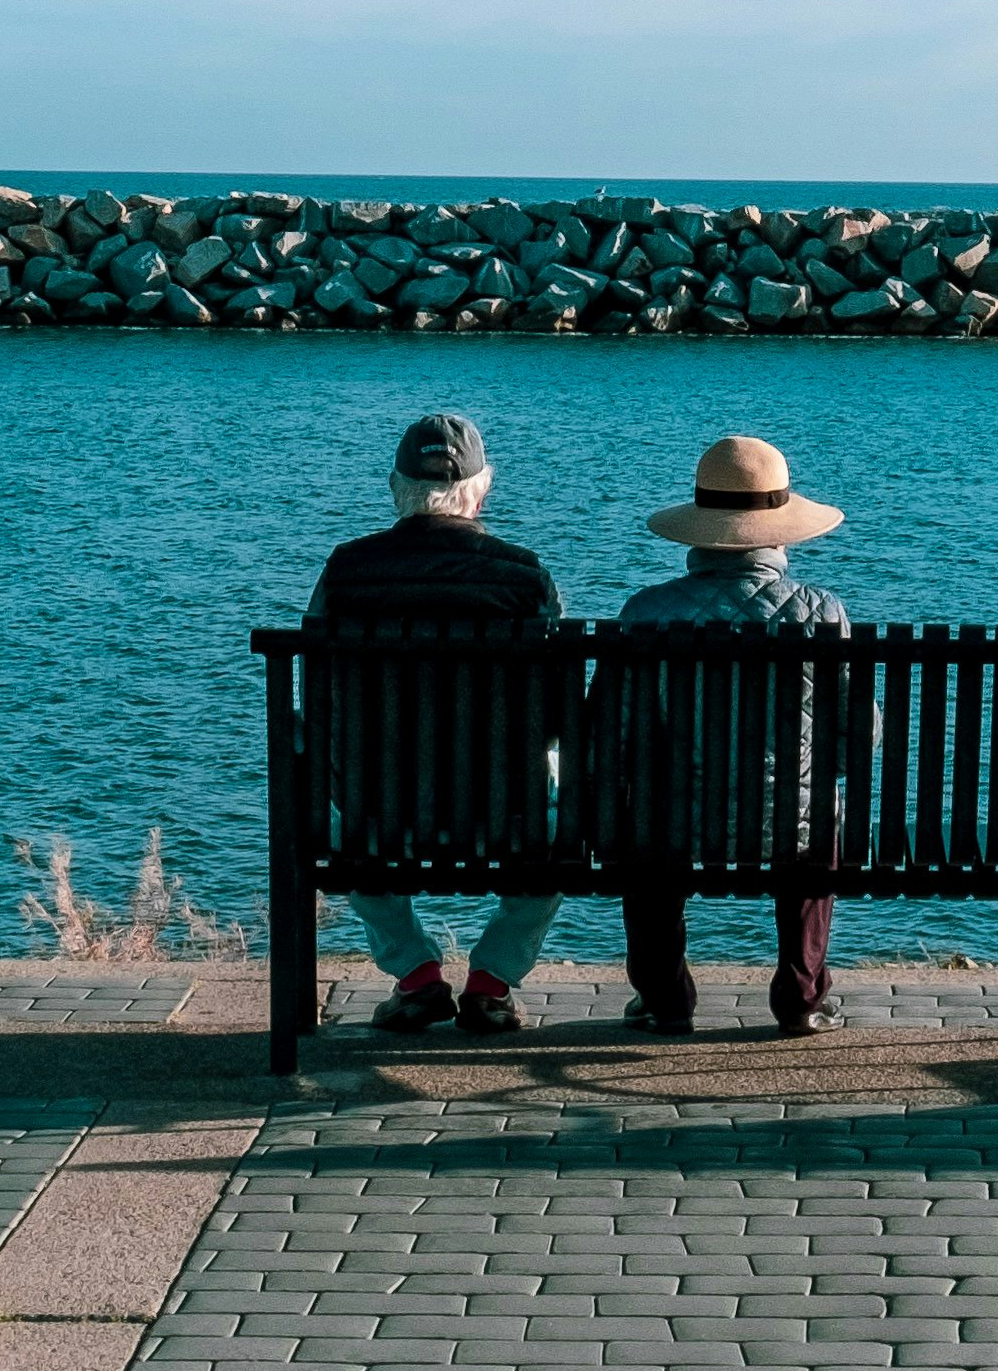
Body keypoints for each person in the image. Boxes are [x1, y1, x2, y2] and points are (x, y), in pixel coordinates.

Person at [307, 409, 566, 1033]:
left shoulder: (345, 571)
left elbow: (319, 701)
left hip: (374, 815)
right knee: (562, 804)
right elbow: (558, 712)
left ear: (397, 487)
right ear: (482, 488)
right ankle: (493, 980)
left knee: (324, 789)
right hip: (509, 816)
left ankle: (416, 975)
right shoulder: (526, 576)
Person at [608, 434, 856, 1036]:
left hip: (668, 827)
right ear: (781, 528)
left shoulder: (645, 613)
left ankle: (665, 997)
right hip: (790, 826)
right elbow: (856, 738)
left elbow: (613, 732)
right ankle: (801, 995)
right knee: (815, 810)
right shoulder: (820, 613)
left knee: (645, 812)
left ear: (698, 528)